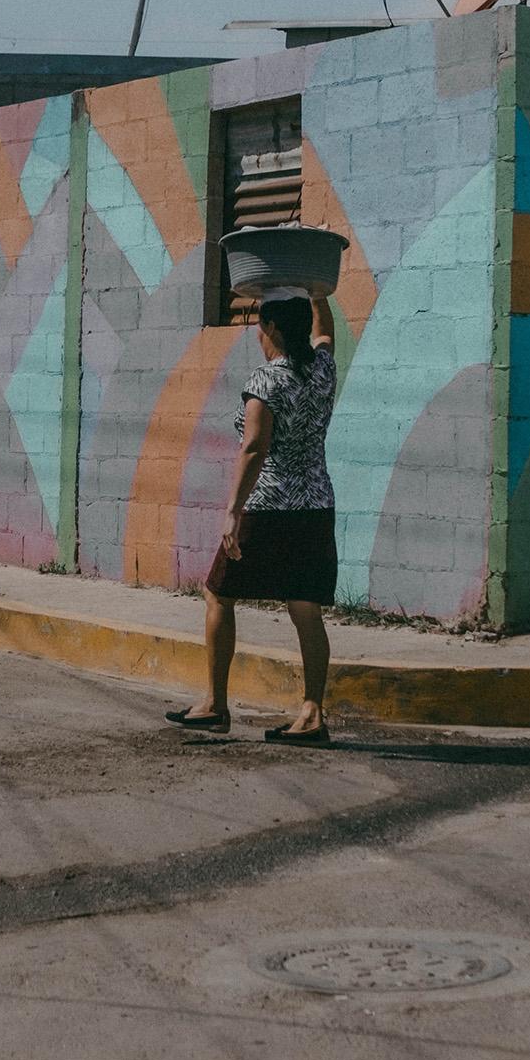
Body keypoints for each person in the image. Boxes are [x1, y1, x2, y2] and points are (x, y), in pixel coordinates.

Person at [169, 290, 336, 744]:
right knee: (305, 608)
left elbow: (255, 448)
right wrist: (318, 291)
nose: (258, 338)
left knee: (218, 594)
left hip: (270, 507)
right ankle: (312, 712)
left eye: (260, 328)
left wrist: (232, 512)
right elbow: (325, 333)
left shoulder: (266, 380)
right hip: (315, 506)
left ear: (273, 329)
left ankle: (215, 705)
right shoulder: (321, 369)